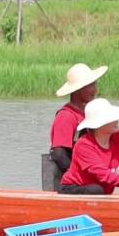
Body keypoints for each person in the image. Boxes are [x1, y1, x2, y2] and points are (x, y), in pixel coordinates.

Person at [44, 63, 108, 191]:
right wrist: (80, 176)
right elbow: (59, 154)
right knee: (95, 190)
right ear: (78, 89)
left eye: (94, 84)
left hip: (83, 179)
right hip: (67, 183)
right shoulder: (67, 116)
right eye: (91, 85)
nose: (95, 90)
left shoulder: (86, 114)